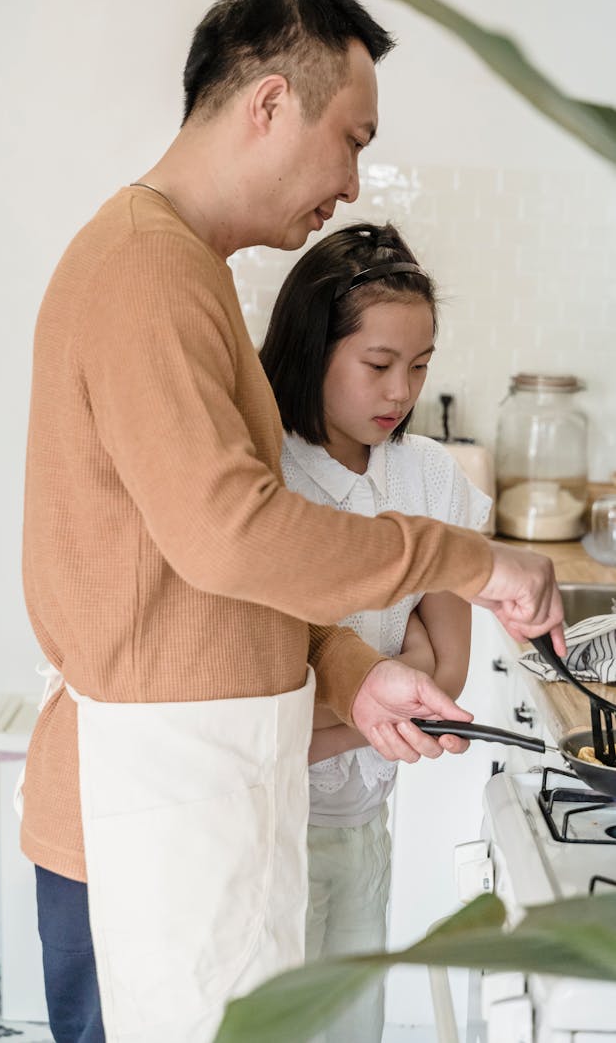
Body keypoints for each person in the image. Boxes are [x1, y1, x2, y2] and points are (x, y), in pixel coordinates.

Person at [20, 0, 563, 1043]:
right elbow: (232, 537)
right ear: (272, 104)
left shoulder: (188, 272)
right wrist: (469, 559)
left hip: (202, 800)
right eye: (353, 139)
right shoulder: (143, 271)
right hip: (141, 821)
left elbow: (222, 580)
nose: (357, 184)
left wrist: (357, 682)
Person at [259, 221, 492, 1042]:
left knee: (351, 1028)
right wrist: (389, 679)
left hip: (363, 822)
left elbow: (448, 670)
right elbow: (262, 711)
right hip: (267, 830)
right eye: (379, 365)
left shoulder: (427, 473)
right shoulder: (269, 476)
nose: (401, 391)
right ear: (315, 346)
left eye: (420, 366)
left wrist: (345, 707)